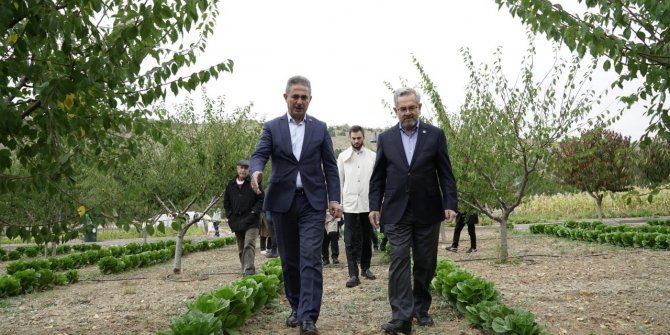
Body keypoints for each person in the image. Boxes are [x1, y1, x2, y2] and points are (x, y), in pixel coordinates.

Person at [250, 75, 342, 335]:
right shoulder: (272, 127)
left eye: (304, 97)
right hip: (282, 202)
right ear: (286, 98)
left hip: (312, 202)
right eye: (295, 97)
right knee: (289, 261)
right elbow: (259, 155)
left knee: (311, 257)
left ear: (310, 99)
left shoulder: (320, 128)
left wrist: (334, 199)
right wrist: (257, 171)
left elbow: (331, 168)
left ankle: (308, 316)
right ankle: (296, 306)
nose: (299, 101)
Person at [369, 87, 458, 334]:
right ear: (395, 110)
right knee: (398, 259)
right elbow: (378, 178)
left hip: (428, 209)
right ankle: (400, 316)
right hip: (396, 210)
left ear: (419, 107)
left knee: (424, 263)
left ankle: (421, 308)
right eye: (402, 109)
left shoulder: (435, 135)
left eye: (412, 107)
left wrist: (450, 203)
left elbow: (446, 174)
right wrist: (374, 206)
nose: (407, 112)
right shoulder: (386, 138)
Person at [337, 125, 377, 288]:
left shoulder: (373, 156)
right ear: (349, 138)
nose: (356, 141)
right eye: (353, 138)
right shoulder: (342, 157)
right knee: (349, 240)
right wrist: (339, 203)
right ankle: (353, 274)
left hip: (367, 204)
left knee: (367, 238)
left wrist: (376, 204)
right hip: (349, 204)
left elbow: (376, 183)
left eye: (358, 138)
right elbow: (339, 182)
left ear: (363, 137)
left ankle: (365, 268)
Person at [223, 160, 264, 276]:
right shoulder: (230, 185)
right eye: (241, 167)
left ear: (248, 170)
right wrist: (229, 215)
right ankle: (245, 269)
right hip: (237, 221)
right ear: (237, 169)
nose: (243, 170)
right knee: (241, 248)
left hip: (252, 221)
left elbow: (261, 198)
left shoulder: (254, 183)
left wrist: (254, 212)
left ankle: (248, 271)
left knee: (249, 245)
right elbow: (226, 202)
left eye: (246, 168)